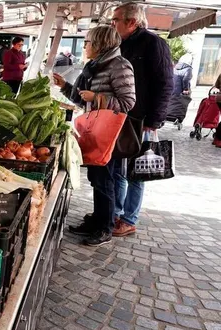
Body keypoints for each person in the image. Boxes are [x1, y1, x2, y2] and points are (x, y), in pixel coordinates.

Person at [53, 25, 136, 246]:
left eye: (87, 42)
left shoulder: (120, 65)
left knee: (105, 180)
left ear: (100, 44)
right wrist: (64, 86)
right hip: (93, 130)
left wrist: (97, 96)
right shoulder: (94, 66)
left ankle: (105, 228)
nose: (84, 46)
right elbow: (82, 99)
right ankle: (96, 221)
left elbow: (128, 103)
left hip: (108, 134)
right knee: (96, 179)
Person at [110, 3, 173, 237]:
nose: (113, 24)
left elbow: (165, 84)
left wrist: (155, 120)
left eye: (116, 20)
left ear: (132, 22)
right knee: (118, 167)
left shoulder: (154, 43)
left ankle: (129, 219)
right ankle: (115, 213)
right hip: (123, 117)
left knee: (137, 171)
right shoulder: (122, 43)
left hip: (142, 119)